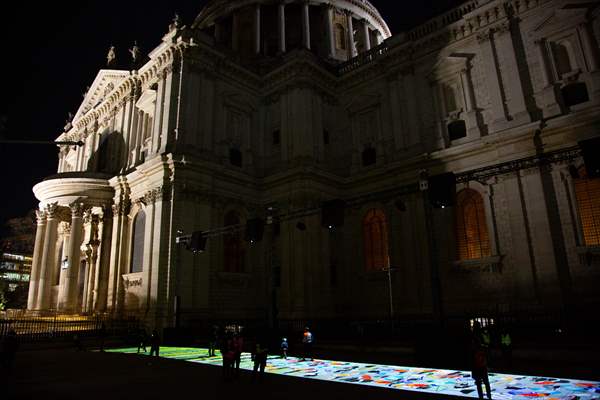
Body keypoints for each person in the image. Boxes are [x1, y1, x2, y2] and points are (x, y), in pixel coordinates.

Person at [471, 323, 492, 400]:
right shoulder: (479, 336)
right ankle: (488, 396)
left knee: (479, 383)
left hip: (477, 365)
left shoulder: (473, 337)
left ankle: (481, 396)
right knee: (485, 381)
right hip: (481, 364)